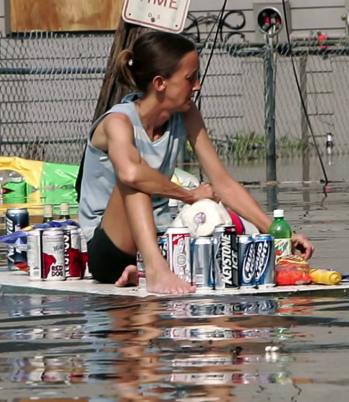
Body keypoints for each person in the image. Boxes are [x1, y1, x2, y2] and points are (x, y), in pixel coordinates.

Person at [77, 31, 315, 295]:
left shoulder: (187, 114)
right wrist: (189, 196)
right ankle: (154, 271)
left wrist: (277, 232)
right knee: (137, 179)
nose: (198, 85)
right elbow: (132, 174)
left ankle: (142, 269)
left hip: (161, 239)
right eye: (190, 78)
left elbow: (222, 182)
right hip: (105, 249)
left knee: (224, 223)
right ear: (160, 83)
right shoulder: (117, 122)